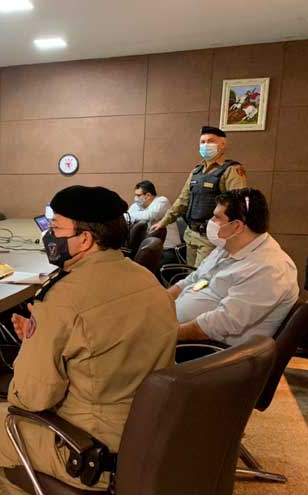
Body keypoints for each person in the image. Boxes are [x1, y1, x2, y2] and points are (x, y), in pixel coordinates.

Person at [0, 186, 178, 495]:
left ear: (86, 239)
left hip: (96, 451)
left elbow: (31, 398)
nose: (48, 237)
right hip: (151, 432)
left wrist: (32, 349)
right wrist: (42, 339)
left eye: (55, 228)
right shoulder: (147, 279)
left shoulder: (62, 296)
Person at [170, 188, 299, 346]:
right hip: (176, 327)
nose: (210, 221)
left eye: (217, 217)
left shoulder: (270, 268)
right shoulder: (227, 246)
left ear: (237, 226)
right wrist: (159, 301)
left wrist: (165, 334)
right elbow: (193, 280)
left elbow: (217, 324)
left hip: (209, 349)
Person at [151, 126, 247, 267]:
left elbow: (237, 205)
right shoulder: (196, 171)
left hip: (211, 236)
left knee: (202, 277)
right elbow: (183, 200)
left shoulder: (231, 170)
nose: (206, 145)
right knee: (191, 275)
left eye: (211, 141)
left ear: (222, 144)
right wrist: (164, 222)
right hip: (191, 233)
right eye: (202, 142)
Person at [127, 180, 181, 251]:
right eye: (135, 195)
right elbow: (127, 218)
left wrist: (129, 216)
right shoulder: (137, 206)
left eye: (138, 195)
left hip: (168, 249)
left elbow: (149, 215)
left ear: (148, 195)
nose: (136, 198)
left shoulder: (162, 201)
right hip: (149, 249)